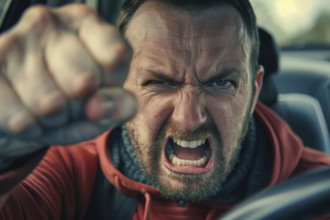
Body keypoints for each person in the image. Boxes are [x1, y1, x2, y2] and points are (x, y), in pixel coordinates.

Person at [0, 0, 329, 219]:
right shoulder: (71, 170)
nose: (189, 119)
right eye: (159, 82)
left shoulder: (318, 192)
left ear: (254, 90)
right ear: (119, 85)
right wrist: (5, 150)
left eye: (220, 84)